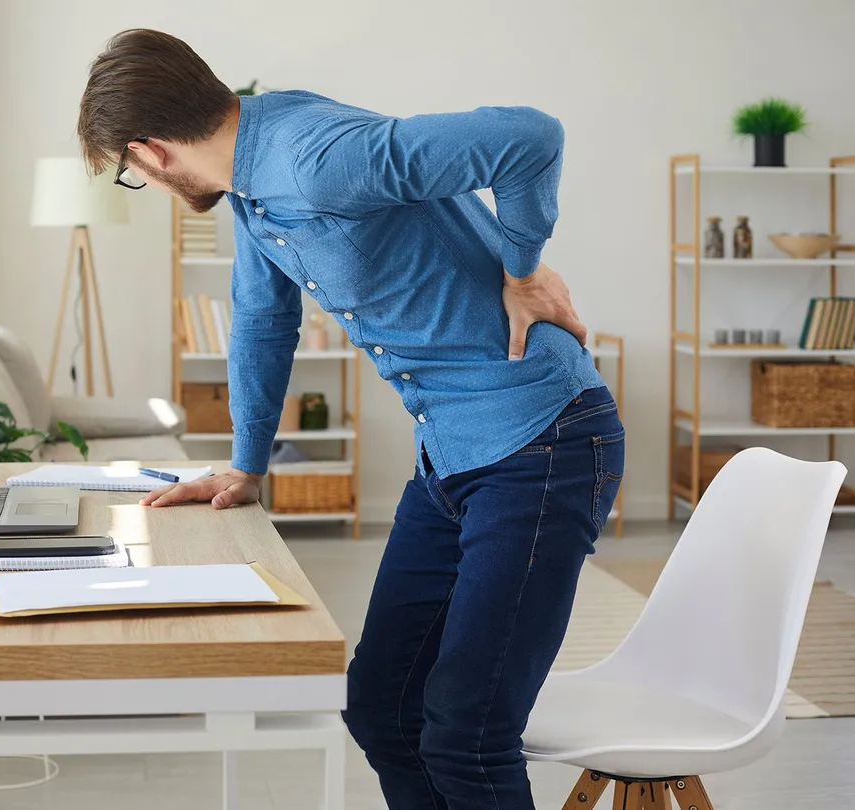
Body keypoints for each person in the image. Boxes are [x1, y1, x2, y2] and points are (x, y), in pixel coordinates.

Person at [77, 29, 624, 810]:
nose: (147, 182)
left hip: (544, 440)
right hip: (452, 458)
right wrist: (246, 466)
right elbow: (263, 322)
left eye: (130, 175)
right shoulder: (250, 185)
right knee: (382, 708)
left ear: (151, 152)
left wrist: (524, 267)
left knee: (467, 734)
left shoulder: (316, 157)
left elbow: (531, 137)